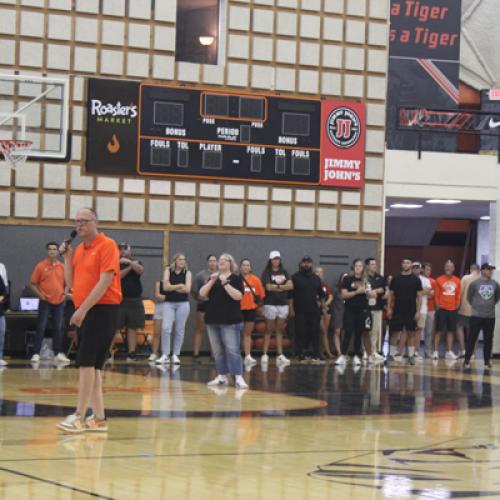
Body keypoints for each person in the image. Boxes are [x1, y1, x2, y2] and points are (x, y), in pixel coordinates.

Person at [57, 207, 122, 433]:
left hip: (102, 310)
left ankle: (79, 415)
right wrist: (67, 258)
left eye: (84, 221)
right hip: (86, 309)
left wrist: (83, 309)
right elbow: (71, 283)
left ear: (95, 222)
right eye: (77, 221)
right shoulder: (79, 250)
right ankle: (99, 418)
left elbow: (105, 281)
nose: (79, 225)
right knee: (93, 367)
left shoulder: (107, 245)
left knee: (85, 363)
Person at [199, 253, 247, 389]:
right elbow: (202, 293)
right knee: (218, 351)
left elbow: (238, 296)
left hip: (230, 321)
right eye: (220, 260)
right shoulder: (213, 278)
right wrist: (212, 281)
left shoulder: (236, 278)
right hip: (212, 320)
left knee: (232, 350)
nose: (221, 262)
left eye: (225, 260)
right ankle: (222, 375)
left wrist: (225, 283)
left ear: (230, 263)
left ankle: (238, 376)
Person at [29, 242, 69, 363]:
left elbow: (68, 283)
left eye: (54, 249)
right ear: (47, 251)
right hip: (45, 301)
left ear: (57, 251)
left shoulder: (62, 266)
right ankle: (36, 353)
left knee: (58, 328)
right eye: (50, 249)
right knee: (41, 327)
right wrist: (41, 296)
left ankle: (57, 353)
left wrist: (64, 294)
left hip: (59, 302)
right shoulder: (40, 266)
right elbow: (32, 284)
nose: (52, 251)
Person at [156, 253, 192, 365]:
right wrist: (180, 285)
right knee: (166, 328)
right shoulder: (168, 271)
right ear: (175, 261)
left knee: (179, 329)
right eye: (180, 259)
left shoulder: (187, 273)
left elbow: (187, 290)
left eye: (184, 259)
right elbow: (165, 287)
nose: (182, 261)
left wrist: (172, 287)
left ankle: (176, 354)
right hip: (169, 303)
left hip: (183, 304)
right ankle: (165, 354)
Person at [386, 258, 422, 366]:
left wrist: (418, 311)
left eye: (408, 263)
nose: (406, 264)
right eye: (404, 263)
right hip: (397, 310)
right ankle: (391, 355)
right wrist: (389, 308)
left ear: (411, 265)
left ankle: (411, 356)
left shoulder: (416, 280)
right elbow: (390, 295)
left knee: (411, 333)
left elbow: (419, 297)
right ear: (402, 264)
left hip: (411, 311)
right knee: (394, 333)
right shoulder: (396, 279)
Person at [464, 263, 500, 369]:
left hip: (490, 316)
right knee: (472, 338)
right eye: (489, 269)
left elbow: (496, 298)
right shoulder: (474, 284)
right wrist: (477, 307)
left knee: (488, 339)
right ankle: (466, 360)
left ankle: (487, 361)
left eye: (491, 270)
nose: (490, 272)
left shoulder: (495, 284)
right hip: (476, 316)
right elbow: (469, 297)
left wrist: (488, 306)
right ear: (483, 270)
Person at [336, 259, 372, 366]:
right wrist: (357, 292)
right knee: (348, 332)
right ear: (353, 267)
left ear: (363, 268)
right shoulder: (347, 279)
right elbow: (344, 295)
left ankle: (357, 356)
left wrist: (369, 292)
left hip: (362, 310)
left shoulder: (366, 280)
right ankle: (343, 355)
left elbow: (371, 295)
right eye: (356, 266)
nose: (358, 268)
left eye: (360, 266)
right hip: (349, 309)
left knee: (359, 333)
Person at [261, 251, 294, 366]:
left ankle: (280, 355)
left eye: (278, 259)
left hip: (283, 304)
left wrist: (277, 286)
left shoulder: (285, 272)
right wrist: (282, 287)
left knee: (280, 330)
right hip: (270, 303)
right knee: (269, 329)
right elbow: (268, 287)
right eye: (274, 259)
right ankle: (265, 354)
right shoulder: (266, 272)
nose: (276, 261)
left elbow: (291, 286)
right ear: (270, 260)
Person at [291, 257, 325, 363]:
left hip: (314, 310)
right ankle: (300, 353)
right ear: (301, 264)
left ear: (311, 264)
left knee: (315, 332)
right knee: (300, 332)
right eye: (304, 262)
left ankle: (316, 353)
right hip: (299, 310)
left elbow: (321, 294)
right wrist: (291, 309)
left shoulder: (316, 278)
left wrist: (323, 306)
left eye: (308, 263)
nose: (306, 264)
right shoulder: (295, 277)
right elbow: (290, 295)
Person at [114, 243, 145, 362]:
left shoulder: (136, 261)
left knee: (133, 327)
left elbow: (140, 270)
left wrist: (130, 263)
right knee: (114, 327)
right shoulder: (114, 262)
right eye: (121, 249)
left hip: (134, 300)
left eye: (125, 249)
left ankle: (131, 354)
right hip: (118, 300)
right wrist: (129, 267)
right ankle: (108, 353)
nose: (123, 251)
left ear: (130, 251)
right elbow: (118, 276)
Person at [191, 255, 218, 363]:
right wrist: (200, 298)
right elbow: (193, 290)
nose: (212, 263)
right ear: (207, 262)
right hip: (203, 304)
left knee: (214, 330)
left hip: (215, 305)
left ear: (217, 262)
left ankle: (214, 356)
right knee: (200, 329)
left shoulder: (221, 275)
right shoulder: (200, 275)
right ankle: (195, 355)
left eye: (214, 261)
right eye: (210, 261)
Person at [433, 260, 461, 360]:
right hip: (441, 309)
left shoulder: (457, 280)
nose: (448, 268)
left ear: (453, 269)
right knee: (438, 330)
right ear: (444, 268)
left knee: (451, 331)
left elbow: (458, 294)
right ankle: (435, 352)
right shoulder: (439, 279)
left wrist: (457, 304)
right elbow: (436, 294)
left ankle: (449, 352)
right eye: (447, 266)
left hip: (452, 310)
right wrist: (437, 306)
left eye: (450, 266)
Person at [239, 258, 265, 366]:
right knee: (235, 334)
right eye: (244, 265)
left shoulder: (255, 280)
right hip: (238, 310)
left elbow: (261, 295)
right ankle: (235, 355)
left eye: (248, 265)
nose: (246, 267)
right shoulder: (236, 279)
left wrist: (259, 306)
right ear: (240, 267)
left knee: (247, 333)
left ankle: (247, 355)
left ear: (250, 267)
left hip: (251, 310)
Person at [365, 258, 386, 362]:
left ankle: (373, 351)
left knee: (375, 330)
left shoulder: (380, 277)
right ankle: (365, 351)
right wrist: (369, 292)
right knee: (366, 330)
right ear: (367, 266)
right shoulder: (364, 277)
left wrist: (375, 291)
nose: (374, 266)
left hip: (377, 308)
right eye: (372, 264)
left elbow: (383, 289)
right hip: (366, 308)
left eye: (375, 264)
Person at [457, 264, 480, 358]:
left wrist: (458, 305)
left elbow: (460, 292)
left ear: (471, 269)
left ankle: (463, 350)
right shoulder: (481, 279)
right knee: (474, 331)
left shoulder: (465, 278)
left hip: (464, 308)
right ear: (479, 270)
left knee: (459, 327)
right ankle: (472, 353)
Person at [411, 262, 432, 360]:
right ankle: (408, 352)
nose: (416, 270)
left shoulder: (425, 280)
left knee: (418, 330)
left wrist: (414, 291)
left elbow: (428, 291)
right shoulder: (408, 279)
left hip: (422, 309)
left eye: (417, 268)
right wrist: (420, 291)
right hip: (409, 309)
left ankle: (416, 352)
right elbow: (423, 291)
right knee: (408, 331)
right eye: (414, 268)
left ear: (420, 269)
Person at [315, 266, 334, 359]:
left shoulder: (324, 285)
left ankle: (326, 351)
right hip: (316, 310)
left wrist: (325, 305)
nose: (319, 274)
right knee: (321, 330)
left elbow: (330, 296)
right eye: (317, 272)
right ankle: (321, 351)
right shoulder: (313, 284)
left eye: (321, 272)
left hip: (325, 309)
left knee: (325, 331)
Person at [422, 263, 437, 358]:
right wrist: (427, 293)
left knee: (429, 332)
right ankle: (413, 352)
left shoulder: (433, 282)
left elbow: (433, 295)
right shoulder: (418, 280)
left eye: (430, 270)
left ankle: (428, 352)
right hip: (419, 309)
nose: (428, 271)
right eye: (427, 269)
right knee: (414, 331)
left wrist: (425, 294)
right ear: (422, 270)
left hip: (431, 309)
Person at [148, 281, 164, 362]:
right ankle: (154, 353)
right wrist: (170, 297)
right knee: (157, 332)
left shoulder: (175, 283)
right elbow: (157, 295)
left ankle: (164, 354)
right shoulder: (159, 283)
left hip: (170, 308)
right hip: (160, 308)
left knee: (166, 333)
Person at [331, 272, 347, 356]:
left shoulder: (349, 289)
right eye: (344, 278)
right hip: (337, 312)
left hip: (347, 312)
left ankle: (343, 351)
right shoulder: (336, 289)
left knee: (345, 332)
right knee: (337, 331)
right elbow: (332, 300)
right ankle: (339, 351)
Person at [0, 272, 8, 366]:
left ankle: (0, 357)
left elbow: (4, 291)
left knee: (1, 333)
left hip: (0, 312)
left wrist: (1, 297)